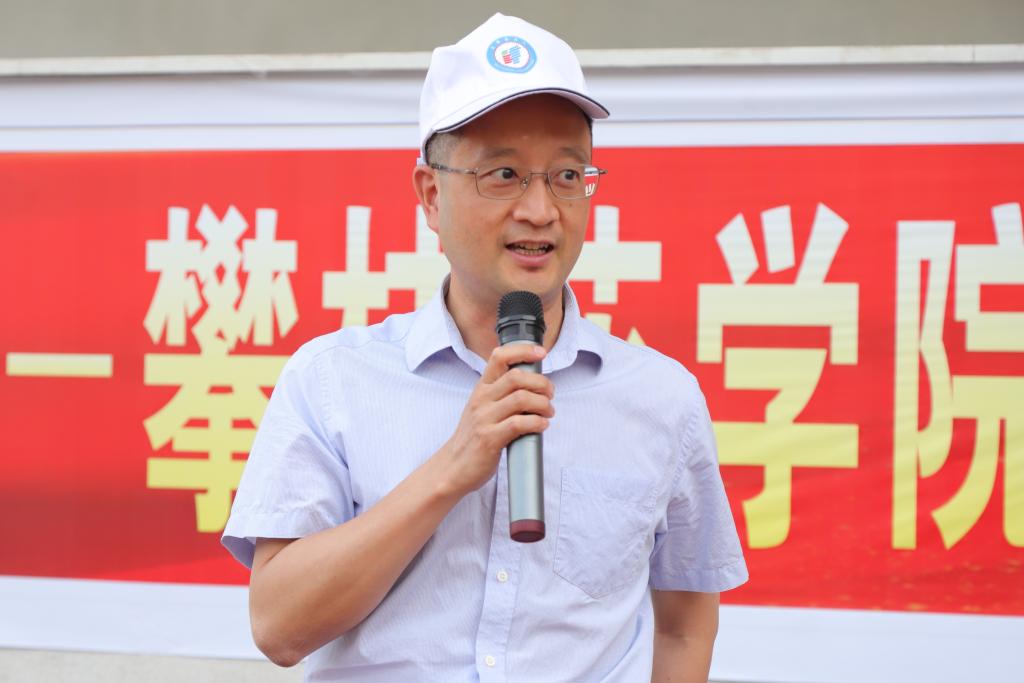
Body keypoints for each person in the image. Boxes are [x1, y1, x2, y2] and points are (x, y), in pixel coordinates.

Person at [222, 13, 747, 682]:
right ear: (430, 195)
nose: (540, 210)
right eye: (504, 173)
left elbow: (684, 624)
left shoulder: (661, 397)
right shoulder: (331, 380)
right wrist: (453, 467)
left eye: (567, 175)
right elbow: (278, 627)